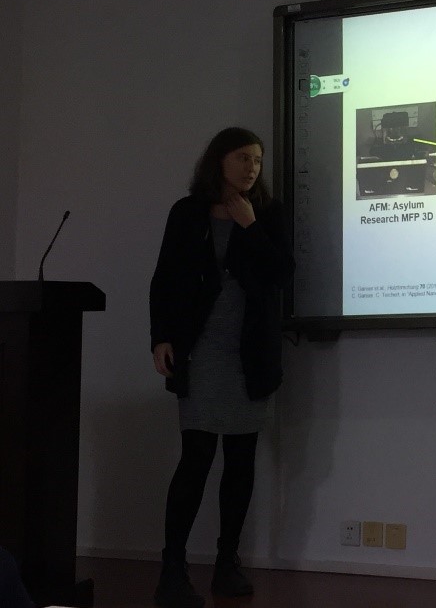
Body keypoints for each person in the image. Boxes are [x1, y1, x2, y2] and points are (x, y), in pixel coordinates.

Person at [149, 127, 293, 608]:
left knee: (241, 460)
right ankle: (172, 569)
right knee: (195, 459)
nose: (252, 168)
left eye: (257, 160)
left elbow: (281, 274)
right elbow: (165, 278)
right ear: (219, 161)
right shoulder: (187, 212)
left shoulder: (267, 213)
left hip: (249, 354)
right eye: (242, 158)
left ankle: (226, 563)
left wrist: (250, 227)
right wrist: (161, 337)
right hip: (201, 351)